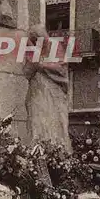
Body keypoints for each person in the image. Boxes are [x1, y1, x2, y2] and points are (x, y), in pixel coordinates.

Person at [23, 24, 72, 152]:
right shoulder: (32, 50)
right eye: (33, 40)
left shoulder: (55, 46)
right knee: (37, 122)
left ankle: (54, 150)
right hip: (36, 91)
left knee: (54, 123)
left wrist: (40, 65)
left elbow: (60, 68)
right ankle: (38, 149)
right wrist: (34, 62)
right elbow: (27, 71)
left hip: (52, 91)